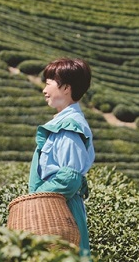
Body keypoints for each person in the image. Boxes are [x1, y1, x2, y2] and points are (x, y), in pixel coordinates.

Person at [28, 57, 95, 258]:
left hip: (60, 212)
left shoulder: (69, 128)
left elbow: (69, 179)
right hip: (54, 207)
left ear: (66, 88)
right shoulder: (64, 123)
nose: (44, 90)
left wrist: (35, 198)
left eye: (48, 83)